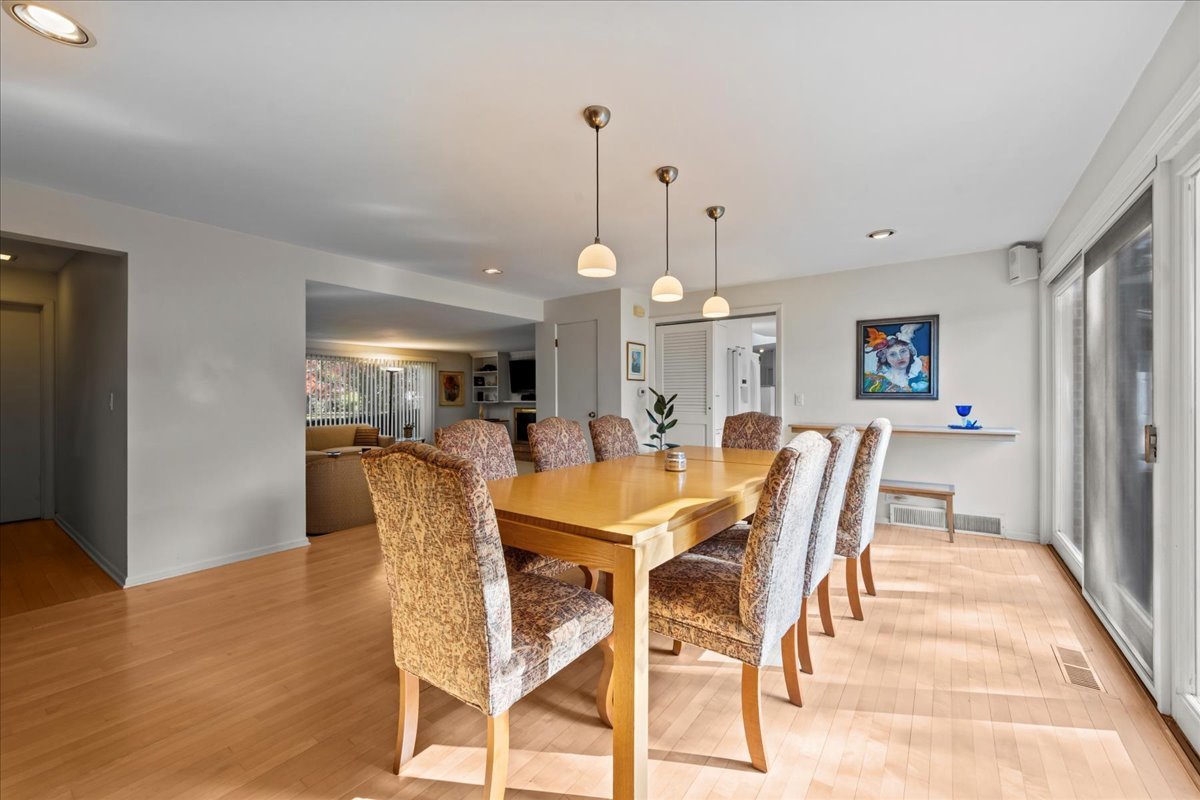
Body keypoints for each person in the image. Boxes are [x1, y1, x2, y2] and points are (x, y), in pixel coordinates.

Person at [863, 323, 930, 393]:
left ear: (910, 352)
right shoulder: (878, 381)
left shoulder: (921, 377)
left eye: (903, 351)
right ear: (885, 358)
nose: (899, 357)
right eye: (892, 354)